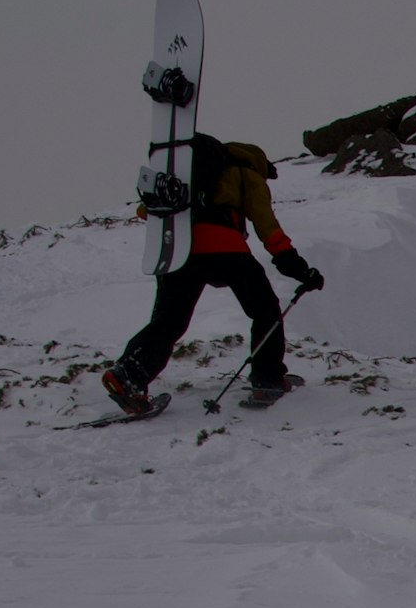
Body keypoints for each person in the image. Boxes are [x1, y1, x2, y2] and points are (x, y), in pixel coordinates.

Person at [102, 135, 322, 412]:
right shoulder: (247, 173)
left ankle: (128, 376)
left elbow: (147, 211)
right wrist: (297, 267)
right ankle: (268, 380)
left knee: (170, 320)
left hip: (179, 251)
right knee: (265, 310)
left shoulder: (188, 172)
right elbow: (268, 227)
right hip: (226, 250)